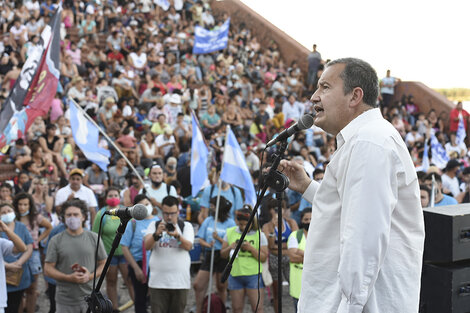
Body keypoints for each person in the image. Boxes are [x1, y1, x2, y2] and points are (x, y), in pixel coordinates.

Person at [279, 58, 425, 312]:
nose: (314, 97)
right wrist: (307, 187)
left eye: (325, 87)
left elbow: (363, 240)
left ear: (355, 96)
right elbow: (348, 208)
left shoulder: (370, 142)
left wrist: (350, 306)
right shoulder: (365, 139)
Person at [44, 199, 107, 313]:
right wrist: (68, 278)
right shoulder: (56, 240)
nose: (72, 218)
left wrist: (90, 276)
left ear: (83, 217)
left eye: (76, 214)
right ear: (63, 217)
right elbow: (48, 269)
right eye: (69, 215)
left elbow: (104, 263)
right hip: (65, 300)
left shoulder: (94, 238)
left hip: (90, 298)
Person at [144, 196, 194, 313]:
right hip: (158, 282)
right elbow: (147, 246)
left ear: (178, 212)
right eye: (166, 213)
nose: (169, 217)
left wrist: (177, 236)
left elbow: (188, 246)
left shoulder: (186, 226)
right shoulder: (154, 225)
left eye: (172, 213)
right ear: (162, 212)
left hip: (180, 283)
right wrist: (156, 235)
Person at [92, 187, 134, 312]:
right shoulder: (102, 214)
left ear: (119, 197)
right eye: (110, 195)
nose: (113, 197)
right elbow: (95, 235)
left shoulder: (126, 212)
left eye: (116, 195)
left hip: (125, 254)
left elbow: (131, 230)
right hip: (109, 255)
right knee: (111, 281)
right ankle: (114, 308)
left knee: (129, 280)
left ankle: (139, 306)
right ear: (105, 199)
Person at [221, 205, 268, 313]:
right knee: (237, 308)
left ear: (251, 222)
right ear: (237, 221)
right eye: (241, 224)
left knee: (257, 308)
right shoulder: (230, 232)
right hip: (235, 275)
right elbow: (223, 255)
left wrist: (251, 249)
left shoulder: (260, 234)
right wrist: (230, 247)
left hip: (253, 275)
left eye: (246, 224)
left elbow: (264, 258)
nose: (243, 227)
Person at [193, 196, 236, 313]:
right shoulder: (208, 220)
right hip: (209, 253)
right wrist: (208, 244)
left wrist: (219, 239)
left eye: (213, 206)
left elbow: (232, 244)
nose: (210, 208)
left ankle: (220, 309)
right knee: (198, 284)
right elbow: (200, 238)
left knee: (221, 286)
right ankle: (199, 309)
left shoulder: (230, 223)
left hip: (222, 255)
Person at [13, 192, 52, 313]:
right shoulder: (13, 217)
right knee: (17, 288)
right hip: (16, 253)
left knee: (32, 288)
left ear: (30, 205)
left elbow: (49, 226)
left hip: (33, 254)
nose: (22, 207)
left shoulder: (35, 216)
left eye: (25, 204)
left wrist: (38, 240)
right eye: (20, 204)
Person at [121, 194, 160, 313]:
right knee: (140, 299)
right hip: (138, 264)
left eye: (147, 204)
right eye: (141, 206)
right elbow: (124, 247)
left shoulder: (158, 222)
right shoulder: (133, 223)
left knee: (156, 299)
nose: (145, 207)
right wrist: (136, 269)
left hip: (156, 265)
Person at [261, 198, 298, 313]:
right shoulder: (267, 226)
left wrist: (278, 246)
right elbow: (270, 246)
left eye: (280, 208)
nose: (278, 212)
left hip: (289, 259)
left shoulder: (291, 223)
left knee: (296, 288)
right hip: (274, 259)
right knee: (277, 293)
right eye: (275, 209)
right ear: (270, 211)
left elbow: (295, 242)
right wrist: (273, 227)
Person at [0, 203, 31, 313]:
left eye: (9, 211)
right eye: (3, 212)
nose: (6, 214)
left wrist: (7, 230)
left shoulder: (1, 243)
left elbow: (22, 248)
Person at [287, 208, 312, 313]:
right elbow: (292, 258)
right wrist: (311, 257)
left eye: (311, 219)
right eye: (306, 219)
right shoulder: (295, 235)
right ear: (301, 220)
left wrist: (301, 252)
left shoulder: (321, 236)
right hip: (298, 283)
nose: (309, 222)